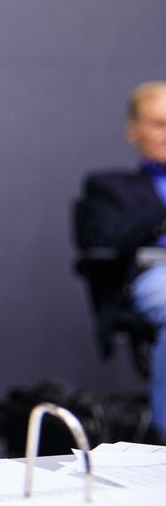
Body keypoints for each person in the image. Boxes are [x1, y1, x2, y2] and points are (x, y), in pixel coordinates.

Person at [76, 81, 166, 438]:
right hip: (152, 273)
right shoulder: (111, 187)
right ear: (134, 131)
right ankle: (163, 439)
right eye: (159, 124)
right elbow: (104, 239)